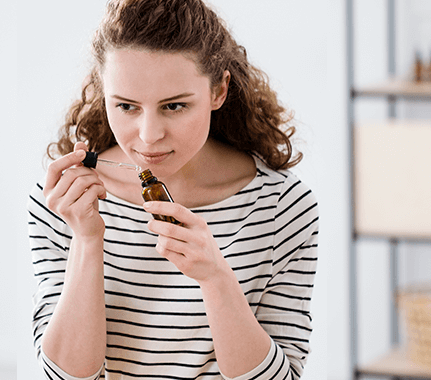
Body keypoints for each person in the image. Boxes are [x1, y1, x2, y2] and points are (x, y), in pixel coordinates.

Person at [27, 0, 318, 378]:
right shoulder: (64, 201)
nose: (149, 136)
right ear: (104, 94)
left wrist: (215, 278)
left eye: (175, 106)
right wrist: (86, 241)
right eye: (127, 106)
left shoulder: (282, 207)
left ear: (219, 91)